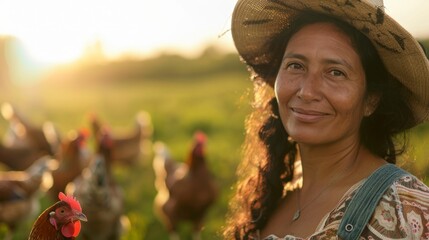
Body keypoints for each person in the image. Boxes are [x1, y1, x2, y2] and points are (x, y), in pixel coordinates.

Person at [223, 0, 429, 239]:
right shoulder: (275, 195)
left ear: (371, 100)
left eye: (335, 72)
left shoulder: (406, 210)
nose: (307, 91)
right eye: (295, 65)